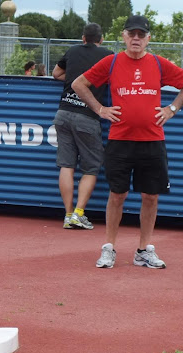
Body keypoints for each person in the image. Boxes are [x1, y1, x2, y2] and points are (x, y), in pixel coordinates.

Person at [72, 15, 183, 269]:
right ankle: (109, 248)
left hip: (152, 141)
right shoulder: (111, 62)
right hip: (120, 141)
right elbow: (79, 84)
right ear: (123, 36)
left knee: (151, 196)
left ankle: (143, 250)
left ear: (148, 39)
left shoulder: (158, 63)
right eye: (131, 34)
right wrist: (100, 109)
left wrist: (172, 108)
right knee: (117, 195)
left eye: (141, 35)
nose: (136, 38)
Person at [52, 23, 113, 230]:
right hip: (87, 116)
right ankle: (79, 213)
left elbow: (56, 74)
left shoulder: (72, 50)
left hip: (63, 112)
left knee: (66, 165)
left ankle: (68, 215)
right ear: (101, 39)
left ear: (83, 38)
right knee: (92, 167)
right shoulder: (109, 55)